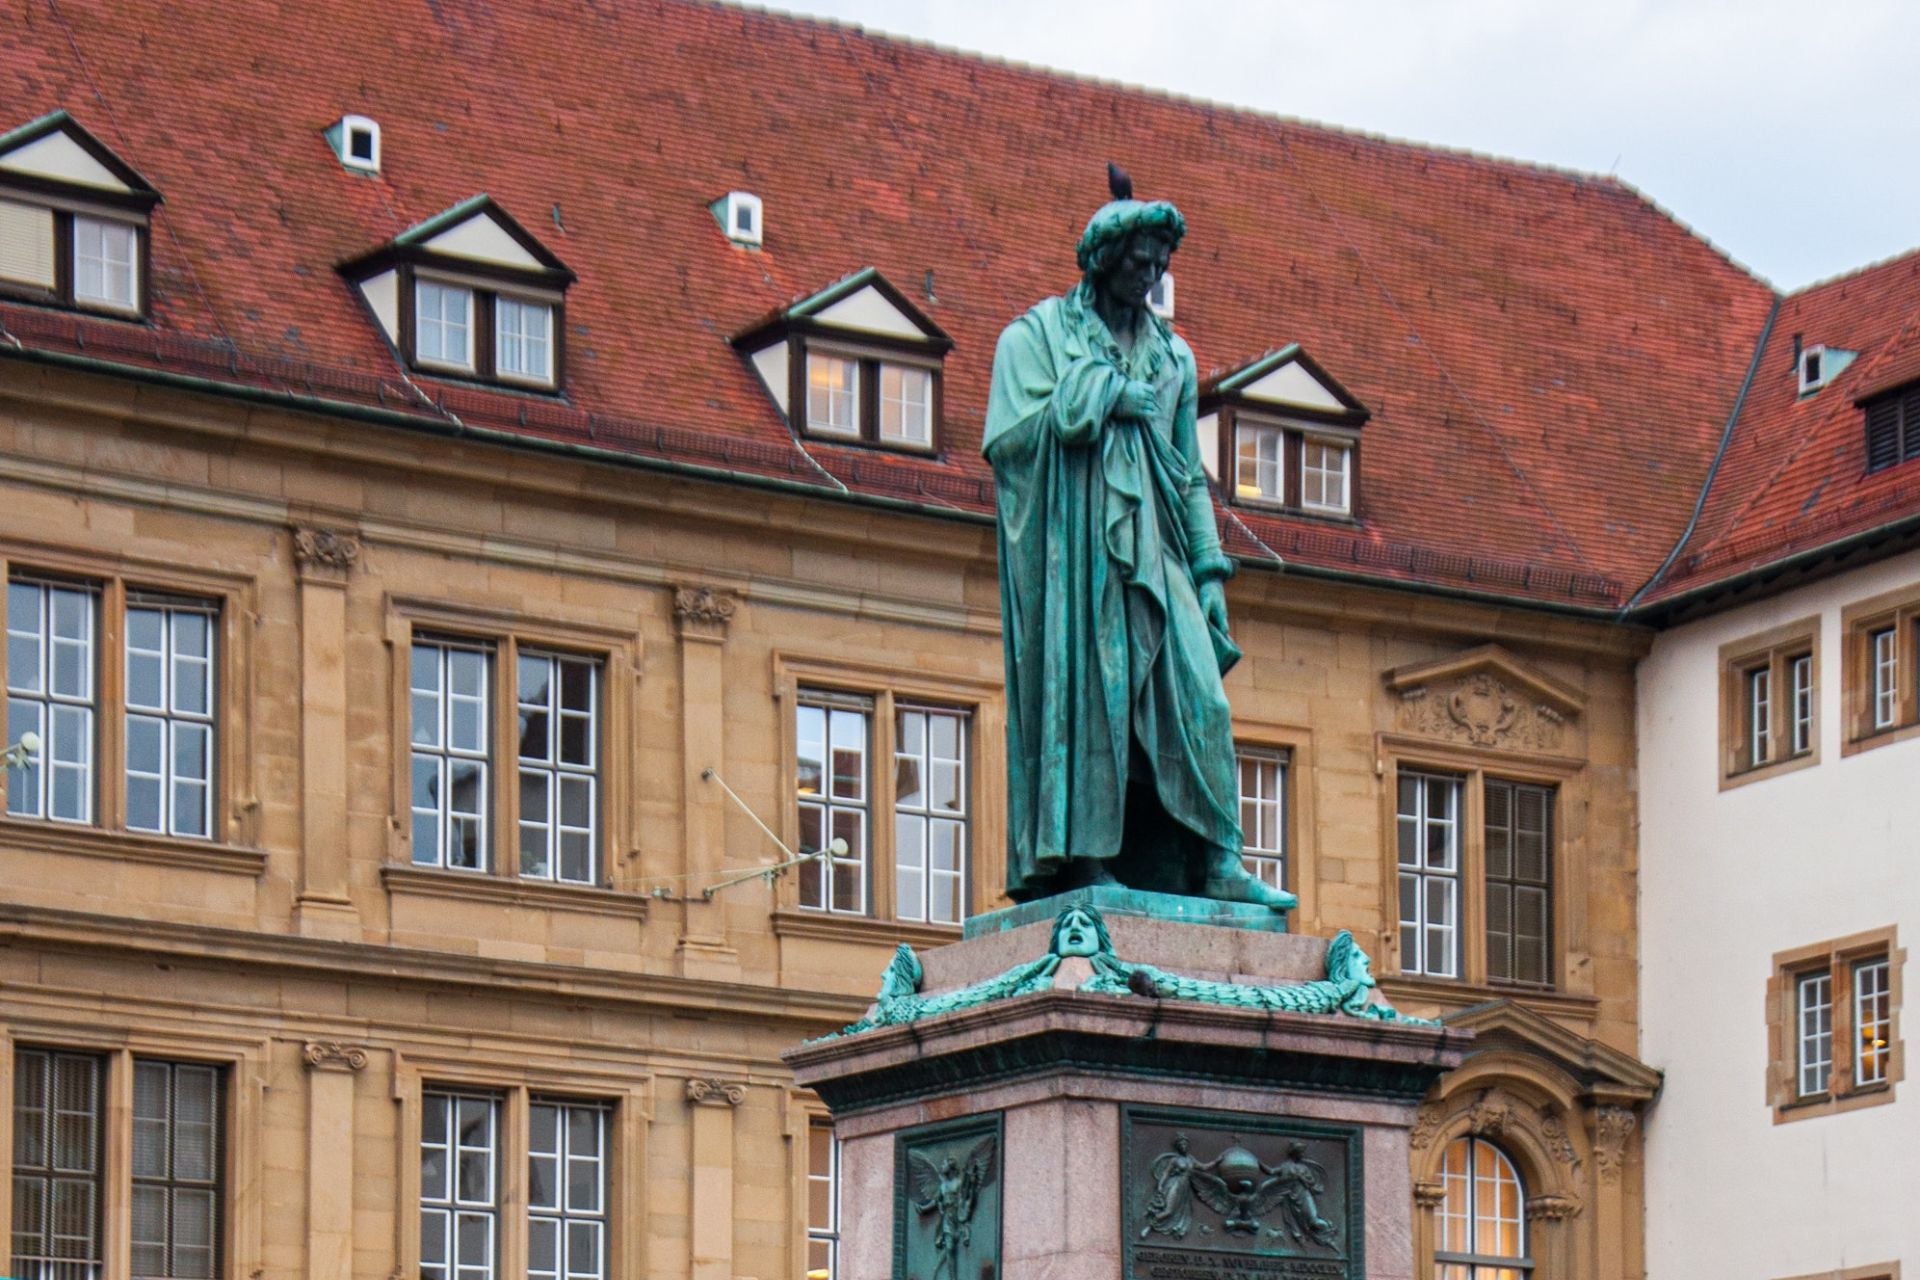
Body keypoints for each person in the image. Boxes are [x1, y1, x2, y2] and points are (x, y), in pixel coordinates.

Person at [984, 166, 1294, 911]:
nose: (1149, 277)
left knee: (1201, 697)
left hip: (1157, 549)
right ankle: (1086, 861)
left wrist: (1212, 576)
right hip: (1079, 559)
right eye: (1137, 263)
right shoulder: (1039, 338)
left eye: (1159, 266)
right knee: (1098, 699)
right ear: (1102, 261)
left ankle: (1218, 859)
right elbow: (1008, 438)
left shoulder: (1174, 359)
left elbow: (1187, 473)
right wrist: (1091, 399)